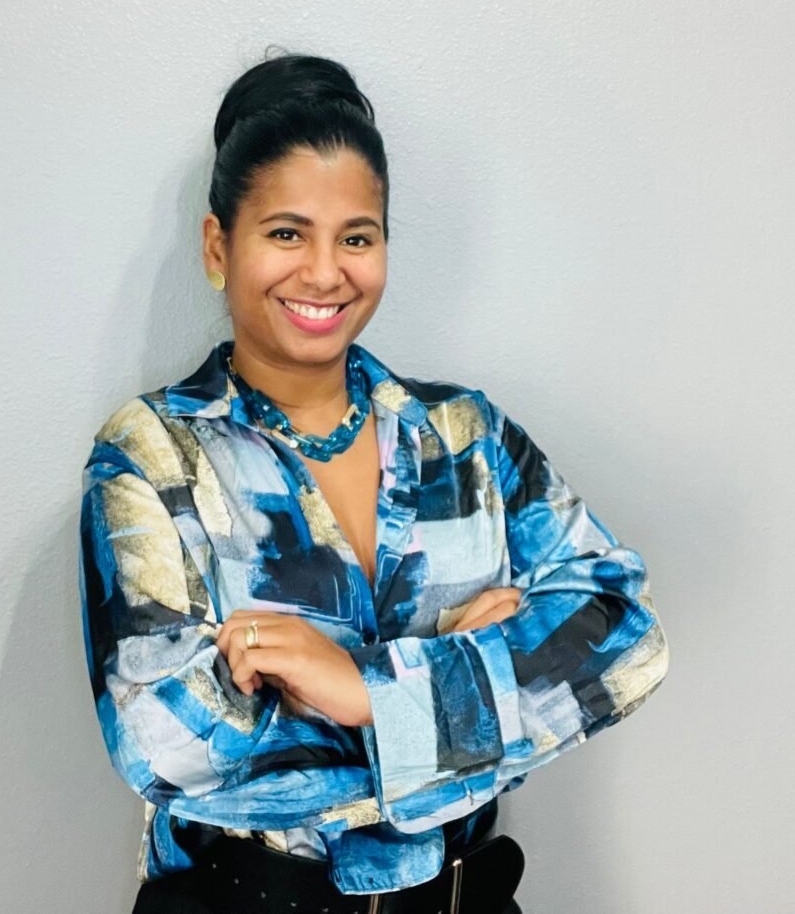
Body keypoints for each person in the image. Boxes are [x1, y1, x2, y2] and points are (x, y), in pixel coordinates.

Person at [77, 51, 670, 914]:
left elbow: (627, 635)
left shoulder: (465, 436)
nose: (325, 273)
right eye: (287, 233)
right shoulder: (153, 456)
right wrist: (476, 680)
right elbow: (166, 744)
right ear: (218, 247)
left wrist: (361, 688)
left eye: (356, 237)